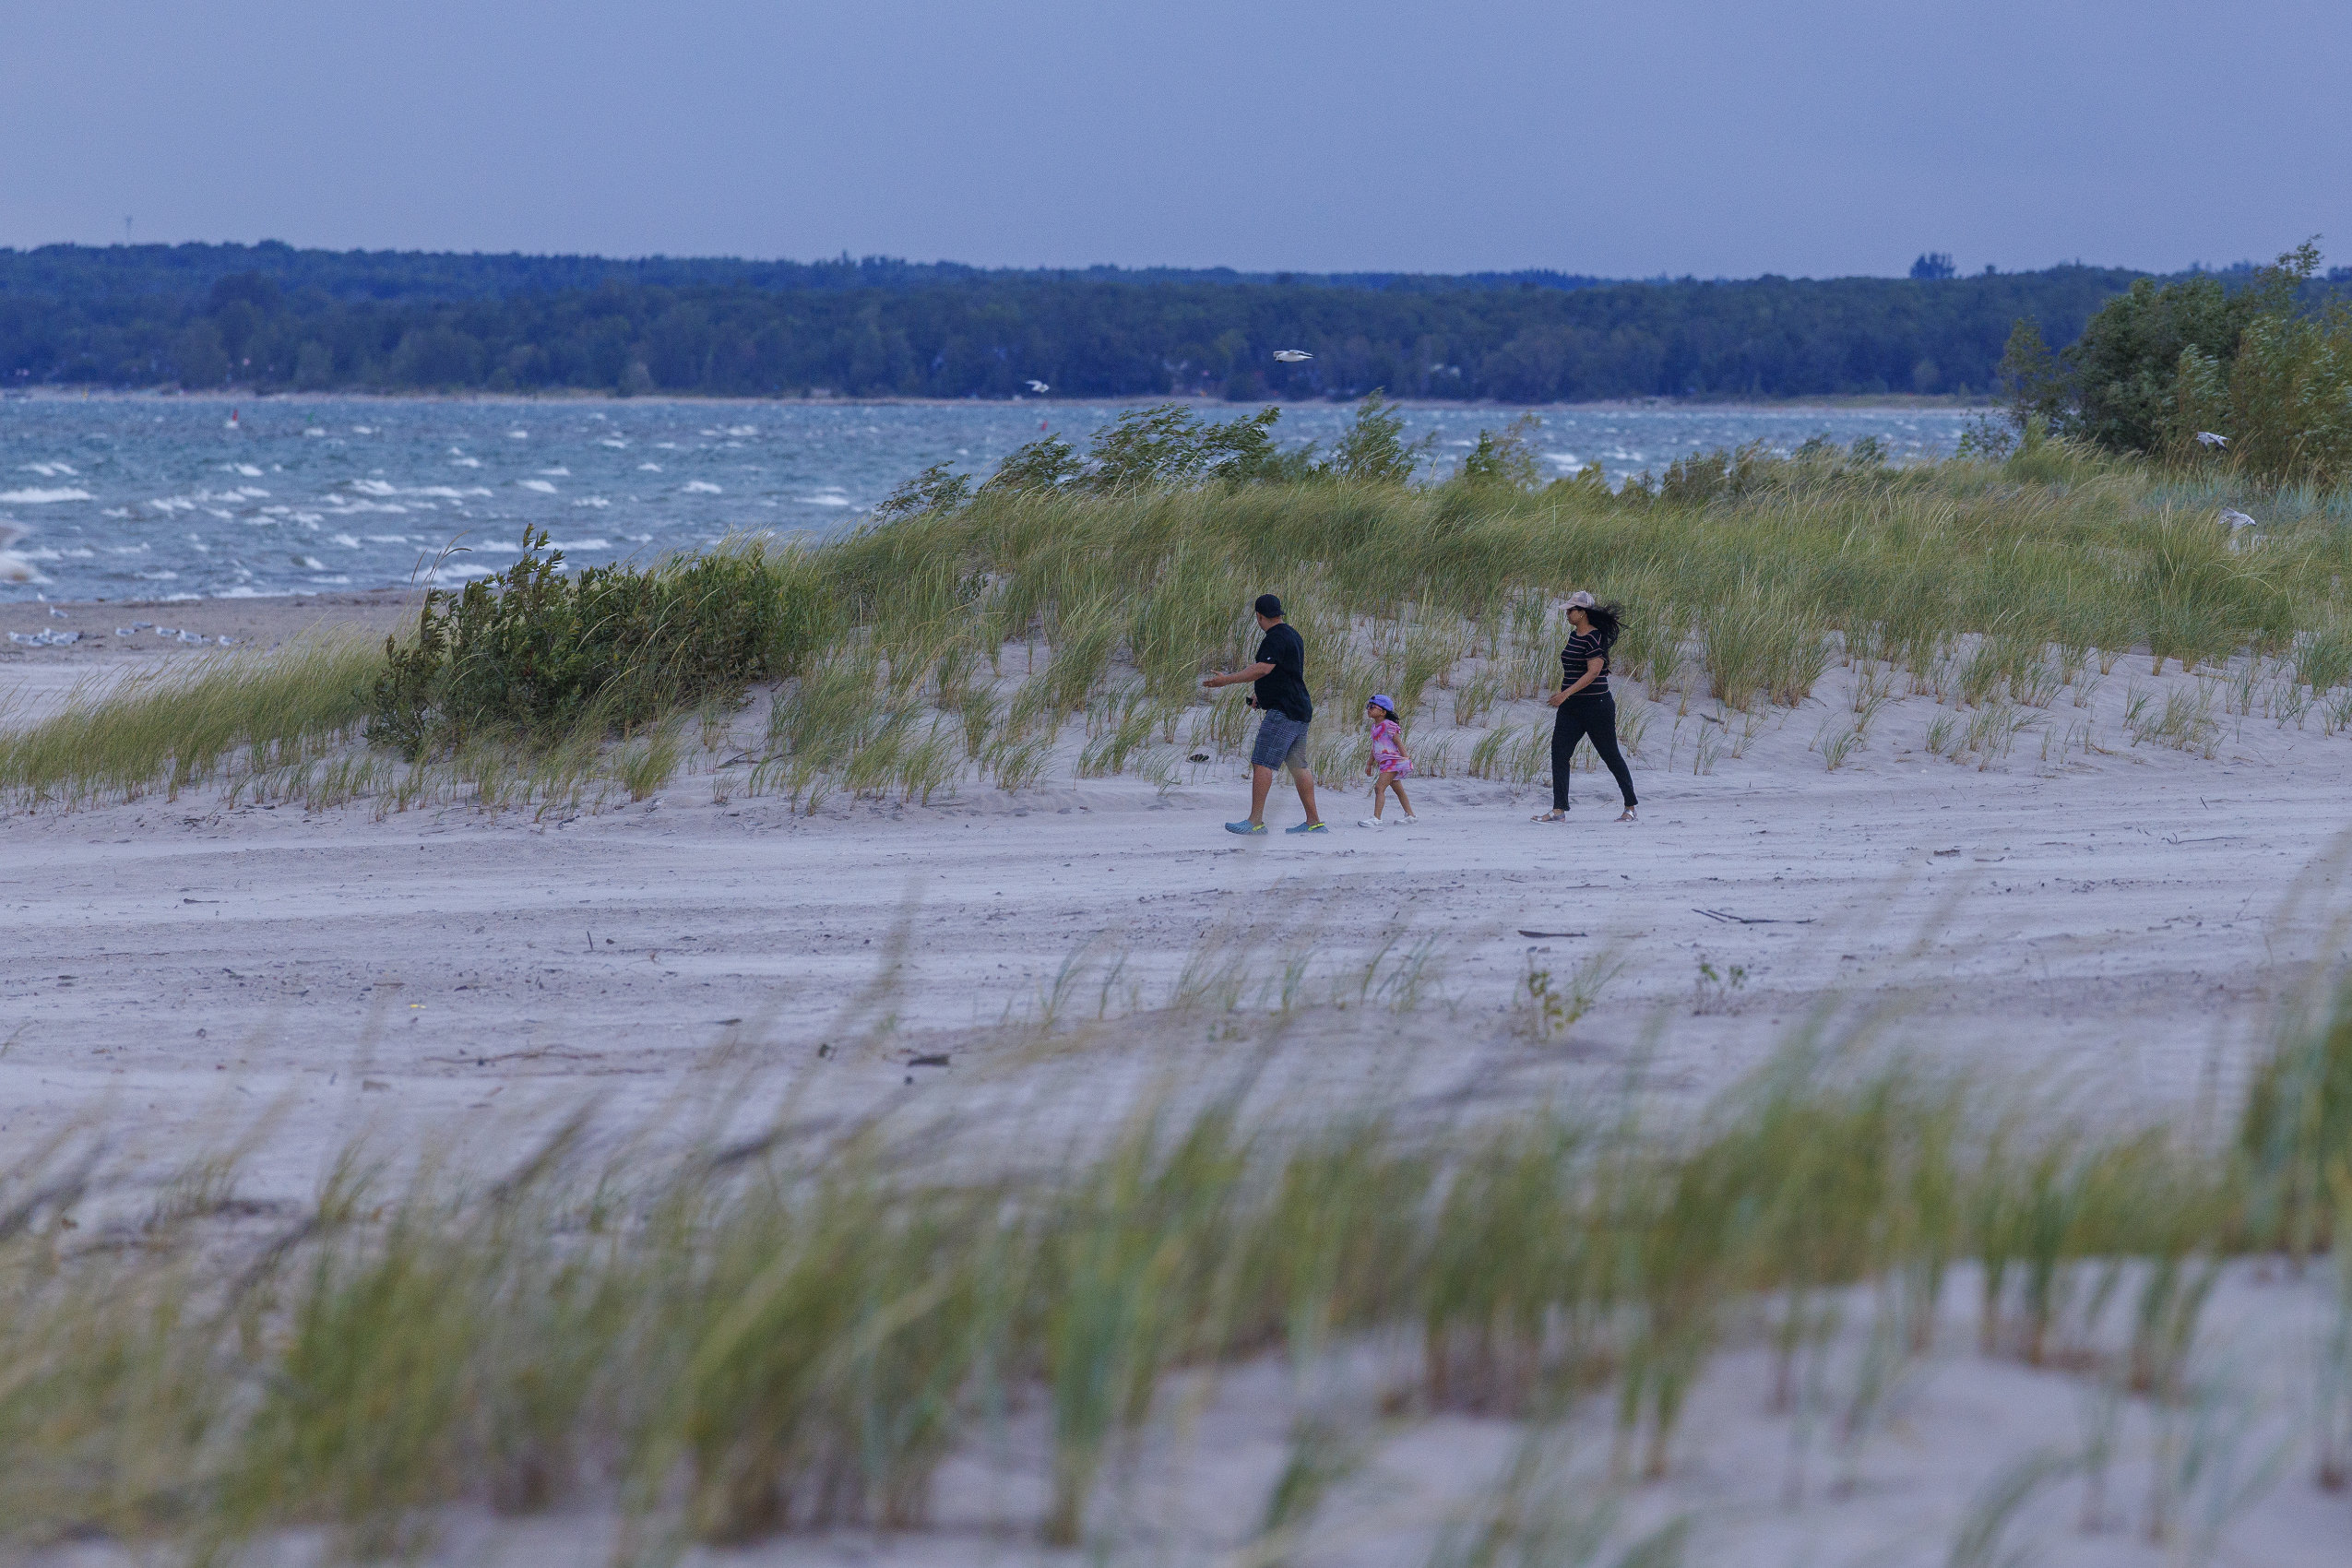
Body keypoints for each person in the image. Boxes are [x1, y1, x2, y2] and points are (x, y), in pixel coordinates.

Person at [1202, 594, 1326, 835]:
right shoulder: (1293, 634)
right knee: (1298, 766)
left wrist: (1226, 681)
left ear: (1259, 616)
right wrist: (1262, 696)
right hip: (1300, 709)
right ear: (1280, 613)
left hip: (1284, 712)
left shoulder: (1274, 638)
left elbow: (1263, 668)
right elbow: (1286, 673)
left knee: (1262, 763)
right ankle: (1314, 822)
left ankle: (1255, 821)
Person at [1532, 590, 1638, 824]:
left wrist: (1564, 694)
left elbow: (1593, 673)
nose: (1568, 614)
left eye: (1571, 610)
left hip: (1597, 706)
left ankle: (1630, 807)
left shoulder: (1595, 637)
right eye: (1568, 610)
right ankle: (1558, 810)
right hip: (1571, 708)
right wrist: (1566, 697)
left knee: (1610, 756)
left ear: (1582, 613)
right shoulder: (1574, 636)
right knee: (1559, 753)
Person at [1359, 695, 1417, 826]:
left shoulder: (1388, 725)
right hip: (1384, 763)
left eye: (1372, 707)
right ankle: (1410, 815)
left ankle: (1376, 818)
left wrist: (1406, 758)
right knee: (1399, 790)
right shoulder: (1374, 727)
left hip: (1392, 762)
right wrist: (1369, 763)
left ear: (1383, 712)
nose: (1368, 709)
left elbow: (1398, 742)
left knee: (1379, 788)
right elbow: (1375, 747)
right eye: (1368, 706)